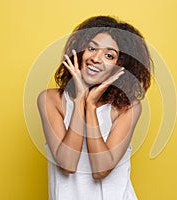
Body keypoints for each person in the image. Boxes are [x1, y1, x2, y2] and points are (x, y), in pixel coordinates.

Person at [37, 15, 152, 200]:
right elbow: (67, 163)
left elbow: (101, 169)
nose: (96, 58)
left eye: (109, 55)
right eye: (91, 48)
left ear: (120, 67)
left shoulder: (128, 108)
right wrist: (80, 99)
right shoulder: (50, 100)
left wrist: (90, 106)